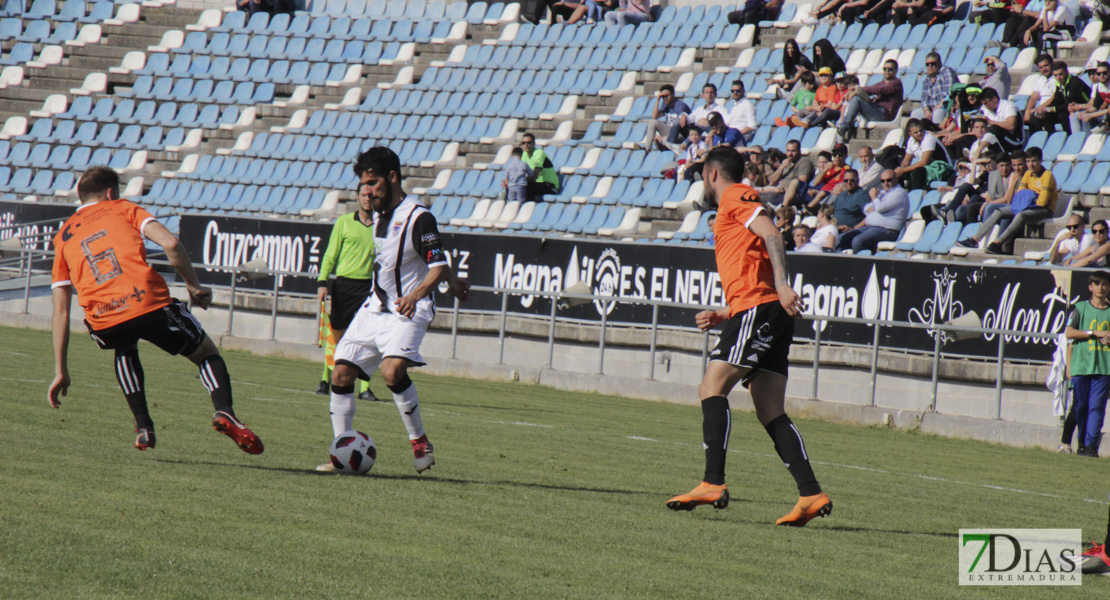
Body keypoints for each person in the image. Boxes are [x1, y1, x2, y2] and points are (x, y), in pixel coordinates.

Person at [664, 147, 832, 527]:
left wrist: (784, 284)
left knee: (711, 387)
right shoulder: (732, 209)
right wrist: (724, 312)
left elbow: (772, 233)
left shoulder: (736, 196)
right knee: (769, 409)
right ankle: (810, 493)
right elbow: (753, 265)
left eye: (700, 178)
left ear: (711, 174)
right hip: (762, 310)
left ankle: (712, 482)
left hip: (762, 309)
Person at [48, 166, 263, 455]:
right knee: (206, 353)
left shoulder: (62, 236)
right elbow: (170, 243)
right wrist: (194, 287)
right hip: (147, 301)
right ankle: (224, 411)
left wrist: (61, 370)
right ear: (111, 193)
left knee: (123, 343)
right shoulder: (124, 208)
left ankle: (143, 427)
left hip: (103, 319)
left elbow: (60, 312)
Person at [319, 146, 471, 473]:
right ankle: (343, 452)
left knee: (391, 372)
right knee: (341, 373)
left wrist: (418, 294)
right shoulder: (378, 215)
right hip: (375, 308)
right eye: (363, 184)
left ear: (392, 177)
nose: (367, 190)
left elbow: (436, 262)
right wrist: (455, 282)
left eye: (373, 183)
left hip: (409, 311)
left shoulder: (419, 216)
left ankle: (419, 441)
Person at [317, 183, 378, 401]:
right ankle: (326, 380)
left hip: (369, 287)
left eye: (371, 195)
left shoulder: (381, 226)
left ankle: (364, 388)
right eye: (364, 195)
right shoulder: (344, 223)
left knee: (366, 339)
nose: (368, 199)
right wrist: (322, 282)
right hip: (344, 286)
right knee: (337, 336)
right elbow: (330, 255)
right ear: (358, 197)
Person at [956, 146, 1056, 254]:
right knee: (999, 211)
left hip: (1044, 210)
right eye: (1028, 161)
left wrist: (1027, 200)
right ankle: (974, 240)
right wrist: (1028, 198)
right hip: (1028, 206)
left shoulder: (1047, 175)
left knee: (1021, 215)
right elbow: (1019, 196)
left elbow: (1042, 202)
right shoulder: (1028, 173)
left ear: (1040, 161)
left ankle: (997, 244)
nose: (1031, 164)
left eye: (1034, 161)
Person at [1064, 270, 1110, 457]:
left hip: (1104, 366)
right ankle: (1081, 442)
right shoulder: (1080, 308)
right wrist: (1093, 333)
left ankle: (1091, 446)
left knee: (1097, 406)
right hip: (1082, 365)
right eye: (1097, 283)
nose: (1101, 287)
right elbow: (1069, 333)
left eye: (1104, 284)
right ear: (1090, 287)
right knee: (1081, 405)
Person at [836, 170, 910, 253]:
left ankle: (860, 264)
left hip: (887, 230)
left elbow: (879, 208)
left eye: (889, 180)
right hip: (870, 227)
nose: (885, 183)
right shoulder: (882, 193)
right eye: (882, 181)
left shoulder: (899, 193)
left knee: (857, 241)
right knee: (841, 239)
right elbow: (867, 210)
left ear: (896, 179)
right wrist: (875, 203)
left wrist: (873, 196)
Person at [837, 59, 904, 143]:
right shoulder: (882, 82)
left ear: (896, 70)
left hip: (885, 114)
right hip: (878, 110)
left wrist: (857, 89)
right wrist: (854, 91)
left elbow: (880, 90)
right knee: (857, 97)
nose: (887, 71)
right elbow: (871, 89)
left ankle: (844, 126)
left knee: (857, 99)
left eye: (890, 69)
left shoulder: (896, 83)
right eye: (885, 69)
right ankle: (845, 128)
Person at [895, 118, 950, 191]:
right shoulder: (911, 141)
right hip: (928, 168)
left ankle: (915, 196)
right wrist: (900, 171)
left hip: (941, 167)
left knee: (918, 172)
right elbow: (906, 160)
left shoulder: (928, 139)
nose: (919, 133)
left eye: (921, 130)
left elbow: (924, 163)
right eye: (916, 132)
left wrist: (903, 170)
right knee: (899, 173)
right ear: (910, 134)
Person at [912, 52, 959, 126]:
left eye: (933, 63)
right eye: (927, 64)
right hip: (932, 109)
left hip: (947, 108)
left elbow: (949, 93)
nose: (930, 66)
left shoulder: (946, 72)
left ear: (939, 63)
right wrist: (926, 110)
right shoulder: (926, 79)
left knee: (937, 112)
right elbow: (924, 99)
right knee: (915, 113)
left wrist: (939, 105)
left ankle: (937, 133)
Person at [1025, 54, 1066, 134]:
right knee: (1018, 114)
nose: (1044, 69)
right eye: (1041, 67)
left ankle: (1043, 141)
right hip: (1041, 109)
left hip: (1053, 108)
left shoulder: (1057, 78)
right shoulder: (1040, 79)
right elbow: (1034, 97)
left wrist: (1038, 109)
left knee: (1035, 117)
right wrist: (1027, 111)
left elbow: (1054, 98)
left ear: (1052, 64)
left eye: (1046, 66)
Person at [643, 84, 692, 150]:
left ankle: (665, 144)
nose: (665, 98)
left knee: (676, 123)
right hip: (670, 134)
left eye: (667, 96)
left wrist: (664, 138)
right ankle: (647, 149)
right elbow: (654, 117)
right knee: (652, 122)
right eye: (663, 97)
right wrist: (658, 99)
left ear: (673, 95)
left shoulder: (680, 106)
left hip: (681, 135)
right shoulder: (665, 105)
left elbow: (681, 126)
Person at [978, 87, 1025, 153]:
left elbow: (1011, 126)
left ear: (994, 99)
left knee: (994, 129)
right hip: (996, 140)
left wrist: (989, 122)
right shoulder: (985, 108)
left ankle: (979, 151)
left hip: (1014, 142)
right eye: (983, 104)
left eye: (986, 103)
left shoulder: (1009, 106)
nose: (985, 106)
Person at [1052, 60, 1092, 135]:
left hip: (1087, 107)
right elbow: (1057, 100)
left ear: (1067, 72)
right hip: (1075, 109)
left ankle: (1073, 137)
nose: (1058, 78)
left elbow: (1069, 102)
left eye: (1061, 74)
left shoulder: (1075, 82)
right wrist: (1047, 109)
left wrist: (1052, 109)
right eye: (1055, 75)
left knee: (1064, 115)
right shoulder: (1059, 84)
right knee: (1047, 116)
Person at [520, 132, 560, 201]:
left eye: (529, 143)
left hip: (549, 186)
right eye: (524, 143)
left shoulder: (539, 153)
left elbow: (534, 177)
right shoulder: (524, 154)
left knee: (527, 187)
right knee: (512, 187)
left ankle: (529, 207)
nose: (526, 145)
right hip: (537, 184)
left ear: (534, 143)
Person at [1072, 62, 1110, 131]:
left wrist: (1091, 115)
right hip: (1107, 114)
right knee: (1079, 115)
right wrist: (1085, 112)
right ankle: (1082, 139)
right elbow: (1095, 107)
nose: (1101, 75)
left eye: (1104, 73)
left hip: (1107, 114)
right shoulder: (1099, 86)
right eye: (1098, 74)